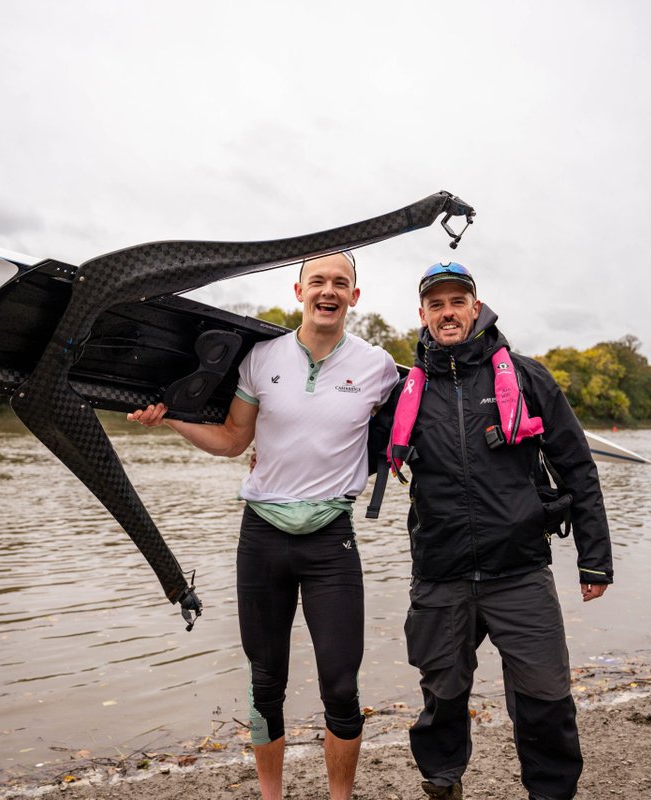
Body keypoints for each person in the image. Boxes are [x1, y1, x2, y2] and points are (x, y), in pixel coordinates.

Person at [127, 251, 398, 800]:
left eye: (340, 283)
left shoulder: (378, 367)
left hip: (331, 540)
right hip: (262, 536)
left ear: (355, 296)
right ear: (298, 291)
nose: (328, 290)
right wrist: (170, 416)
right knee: (265, 683)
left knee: (341, 688)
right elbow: (232, 440)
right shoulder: (261, 358)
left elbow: (406, 431)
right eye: (317, 281)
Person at [369, 262, 613, 800]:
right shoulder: (401, 391)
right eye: (437, 304)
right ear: (423, 315)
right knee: (442, 696)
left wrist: (594, 559)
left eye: (458, 301)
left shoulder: (527, 377)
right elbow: (344, 453)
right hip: (439, 572)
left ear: (476, 308)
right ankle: (442, 784)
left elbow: (578, 468)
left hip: (520, 570)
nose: (448, 312)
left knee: (546, 696)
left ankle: (551, 793)